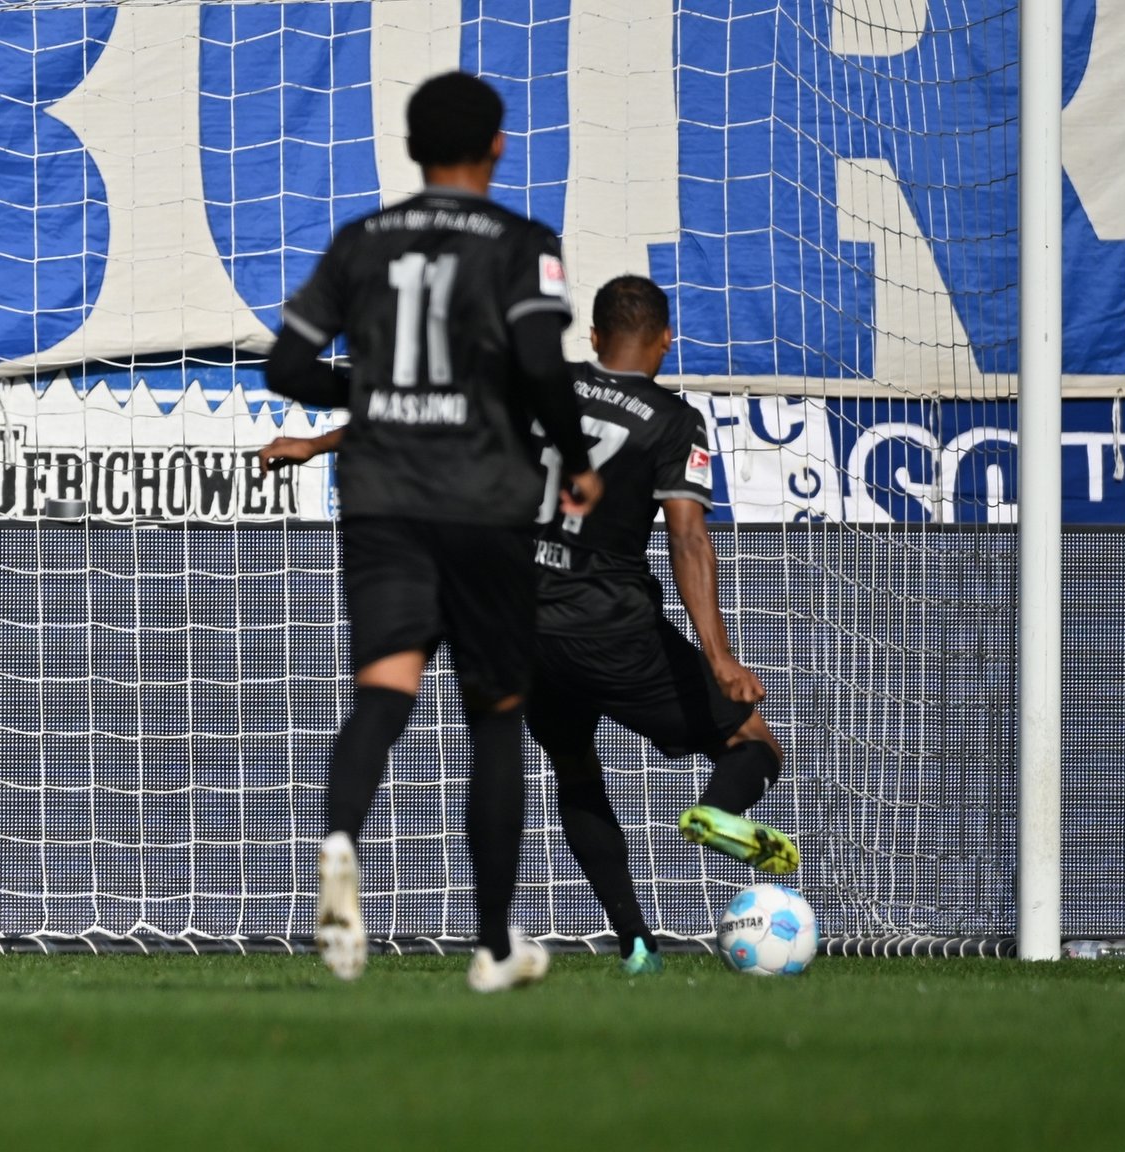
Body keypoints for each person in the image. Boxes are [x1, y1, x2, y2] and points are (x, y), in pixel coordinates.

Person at [264, 274, 799, 976]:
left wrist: (315, 444)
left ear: (596, 338)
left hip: (521, 628)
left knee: (576, 766)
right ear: (665, 342)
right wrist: (720, 656)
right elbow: (688, 537)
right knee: (750, 738)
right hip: (612, 630)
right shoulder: (672, 419)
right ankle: (719, 810)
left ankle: (637, 944)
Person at [261, 71, 602, 993]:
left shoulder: (361, 241)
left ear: (412, 149)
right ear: (498, 146)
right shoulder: (523, 243)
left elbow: (287, 366)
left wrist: (363, 395)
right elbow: (540, 362)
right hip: (483, 499)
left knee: (384, 691)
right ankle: (492, 945)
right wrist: (576, 457)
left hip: (380, 499)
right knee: (495, 716)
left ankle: (339, 841)